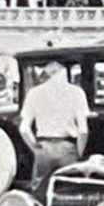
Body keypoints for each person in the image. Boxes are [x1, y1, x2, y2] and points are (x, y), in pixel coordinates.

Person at [19, 60, 90, 194]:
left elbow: (24, 129)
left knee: (40, 191)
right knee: (71, 191)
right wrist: (79, 152)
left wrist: (35, 147)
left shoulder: (34, 93)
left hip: (43, 147)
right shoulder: (77, 93)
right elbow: (83, 130)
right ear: (62, 73)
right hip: (68, 147)